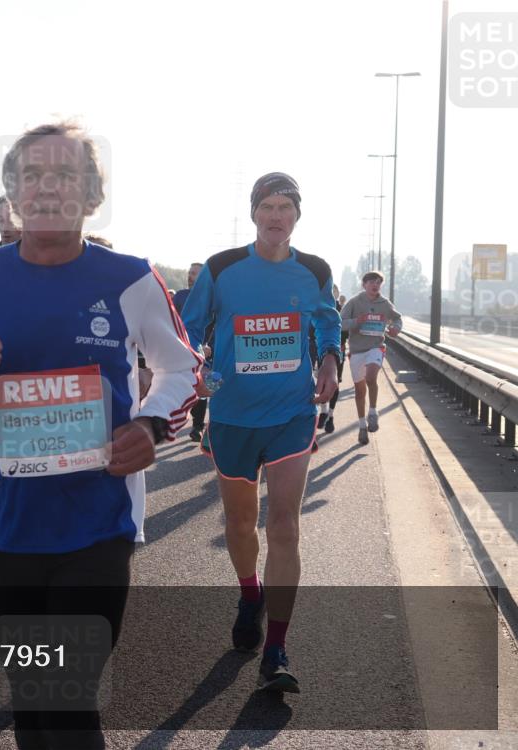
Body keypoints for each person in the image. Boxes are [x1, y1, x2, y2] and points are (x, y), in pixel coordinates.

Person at [0, 121, 200, 749]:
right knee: (31, 709)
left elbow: (184, 368)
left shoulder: (129, 277)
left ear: (91, 196)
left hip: (98, 524)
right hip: (8, 525)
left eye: (65, 175)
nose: (48, 188)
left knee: (69, 707)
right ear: (13, 193)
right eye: (33, 176)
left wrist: (152, 426)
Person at [181, 172, 341, 693]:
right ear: (254, 214)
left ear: (297, 215)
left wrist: (331, 360)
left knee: (285, 527)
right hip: (231, 414)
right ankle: (250, 592)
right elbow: (188, 328)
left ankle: (276, 648)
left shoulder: (313, 271)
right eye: (267, 207)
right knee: (240, 522)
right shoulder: (221, 268)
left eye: (285, 208)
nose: (276, 216)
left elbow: (327, 321)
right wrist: (195, 368)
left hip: (292, 413)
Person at [341, 271, 402, 445]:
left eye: (378, 283)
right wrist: (356, 322)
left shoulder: (385, 304)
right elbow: (340, 323)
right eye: (371, 282)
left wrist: (395, 328)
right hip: (357, 350)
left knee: (371, 376)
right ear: (364, 284)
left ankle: (373, 412)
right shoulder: (354, 302)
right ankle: (362, 426)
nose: (375, 286)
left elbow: (397, 319)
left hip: (376, 347)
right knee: (360, 390)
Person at [173, 262, 210, 441]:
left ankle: (198, 426)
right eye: (189, 272)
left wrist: (207, 347)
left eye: (195, 273)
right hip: (181, 351)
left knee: (208, 387)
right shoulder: (180, 296)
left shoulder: (212, 297)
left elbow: (216, 326)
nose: (190, 276)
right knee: (188, 388)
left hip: (206, 352)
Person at [316, 284, 347, 434]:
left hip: (337, 350)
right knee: (320, 381)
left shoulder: (341, 309)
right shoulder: (316, 306)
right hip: (319, 348)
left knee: (335, 383)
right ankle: (323, 411)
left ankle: (330, 415)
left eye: (333, 292)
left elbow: (345, 329)